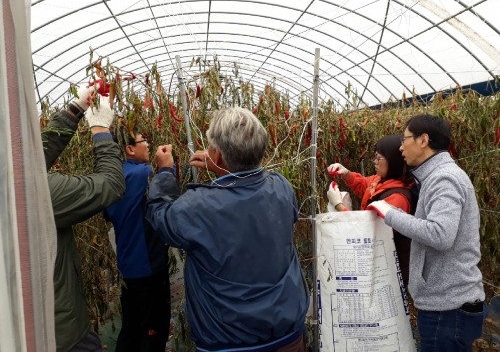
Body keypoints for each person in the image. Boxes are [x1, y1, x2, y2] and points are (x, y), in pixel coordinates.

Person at [145, 107, 309, 351]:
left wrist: (165, 171)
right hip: (288, 336)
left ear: (218, 154)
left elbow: (161, 217)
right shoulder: (281, 187)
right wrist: (223, 168)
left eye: (212, 148)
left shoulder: (198, 206)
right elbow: (247, 195)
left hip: (228, 341)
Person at [367, 114, 486, 351]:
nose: (401, 147)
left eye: (405, 139)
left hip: (448, 308)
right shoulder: (435, 176)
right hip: (446, 304)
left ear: (423, 140)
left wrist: (390, 214)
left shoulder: (444, 178)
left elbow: (441, 234)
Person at [43, 81, 125, 352]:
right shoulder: (29, 192)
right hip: (60, 337)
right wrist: (101, 130)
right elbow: (110, 184)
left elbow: (27, 156)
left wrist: (75, 109)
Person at [103, 127, 170, 352]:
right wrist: (166, 165)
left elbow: (107, 213)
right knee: (153, 331)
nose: (149, 145)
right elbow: (169, 186)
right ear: (129, 149)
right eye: (144, 141)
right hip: (148, 267)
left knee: (132, 328)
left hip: (128, 266)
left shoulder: (112, 178)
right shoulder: (143, 174)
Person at [326, 134, 414, 287]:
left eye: (379, 158)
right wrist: (346, 174)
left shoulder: (398, 198)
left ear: (393, 161)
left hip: (389, 267)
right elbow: (364, 184)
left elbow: (370, 230)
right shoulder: (381, 180)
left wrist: (339, 205)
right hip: (377, 259)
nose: (375, 162)